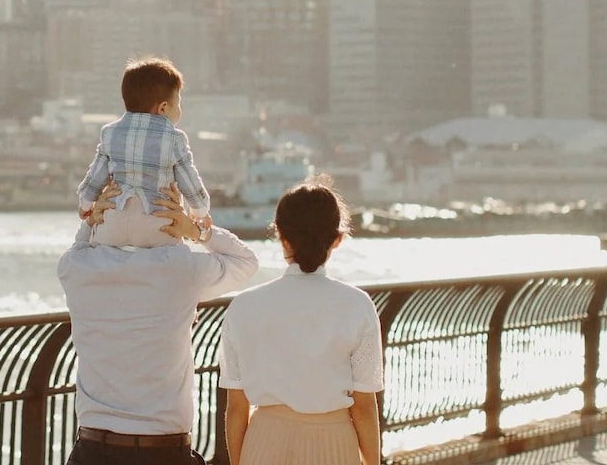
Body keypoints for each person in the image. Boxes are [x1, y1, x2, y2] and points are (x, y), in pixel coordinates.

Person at [59, 182, 259, 465]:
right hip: (163, 450)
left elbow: (80, 245)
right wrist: (195, 230)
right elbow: (245, 262)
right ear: (167, 221)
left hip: (92, 449)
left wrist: (91, 220)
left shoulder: (76, 268)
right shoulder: (180, 268)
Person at [218, 175, 384, 465]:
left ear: (281, 235)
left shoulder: (243, 306)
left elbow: (236, 408)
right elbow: (364, 407)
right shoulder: (357, 305)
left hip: (265, 440)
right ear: (337, 239)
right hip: (334, 442)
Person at [75, 57, 212, 249]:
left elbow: (94, 178)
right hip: (156, 224)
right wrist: (200, 211)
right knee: (170, 251)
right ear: (163, 107)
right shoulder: (174, 138)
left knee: (103, 248)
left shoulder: (110, 133)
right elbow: (190, 183)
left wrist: (85, 205)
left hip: (114, 224)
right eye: (178, 103)